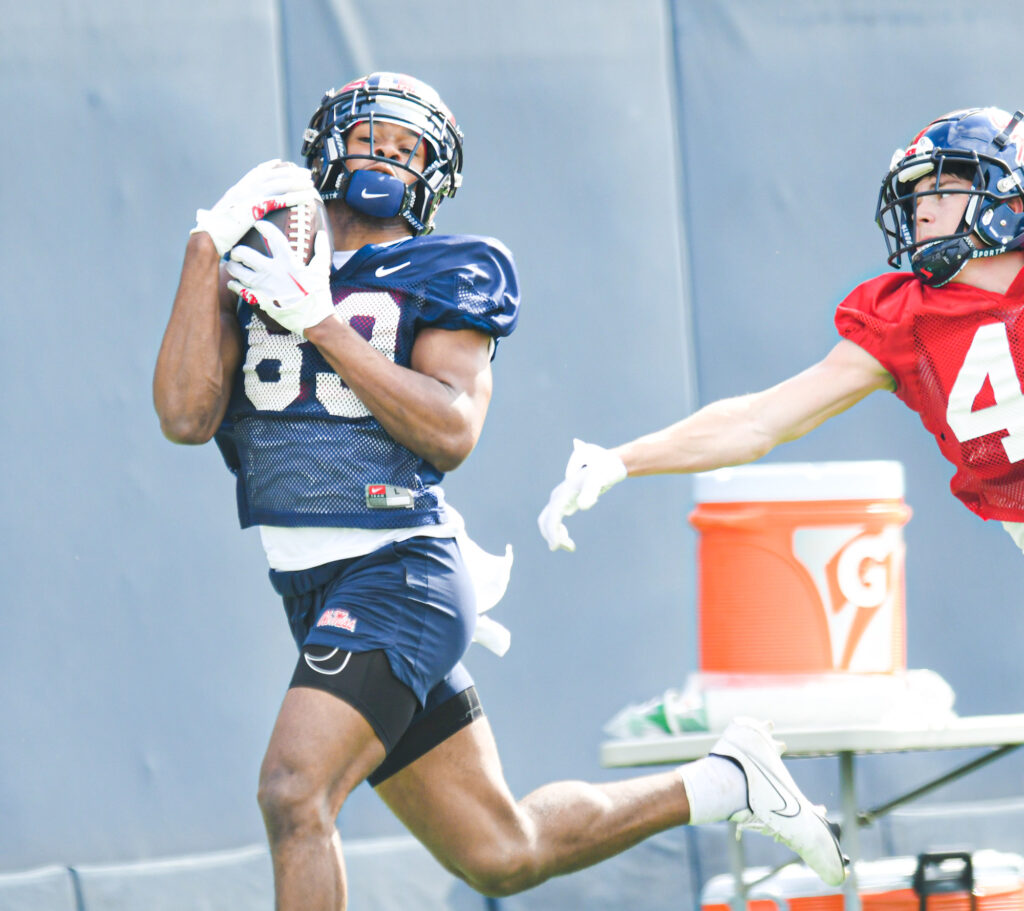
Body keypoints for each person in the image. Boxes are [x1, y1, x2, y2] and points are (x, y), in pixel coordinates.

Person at [153, 72, 846, 911]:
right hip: (311, 587)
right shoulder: (248, 262)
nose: (388, 158)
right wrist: (205, 247)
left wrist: (321, 322)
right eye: (374, 136)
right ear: (327, 146)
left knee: (294, 793)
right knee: (503, 852)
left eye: (410, 149)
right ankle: (725, 779)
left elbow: (450, 431)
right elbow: (186, 417)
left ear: (435, 176)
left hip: (399, 573)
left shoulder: (448, 266)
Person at [539, 106, 1024, 558]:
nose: (921, 212)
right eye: (917, 196)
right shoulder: (905, 320)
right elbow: (757, 420)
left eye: (941, 192)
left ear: (1011, 202)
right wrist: (621, 460)